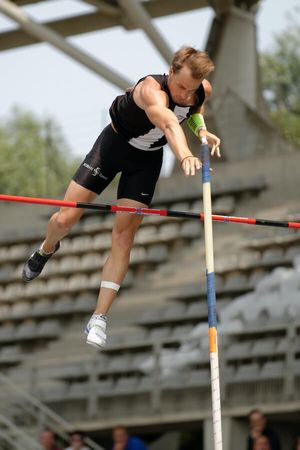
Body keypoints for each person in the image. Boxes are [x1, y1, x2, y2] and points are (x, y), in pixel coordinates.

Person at [22, 46, 221, 349]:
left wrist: (202, 130)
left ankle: (99, 317)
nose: (184, 94)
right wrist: (184, 156)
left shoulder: (199, 89)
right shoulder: (150, 91)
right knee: (65, 219)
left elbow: (193, 111)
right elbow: (168, 122)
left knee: (124, 235)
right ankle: (46, 250)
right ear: (170, 72)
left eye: (190, 89)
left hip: (146, 162)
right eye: (180, 86)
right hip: (112, 149)